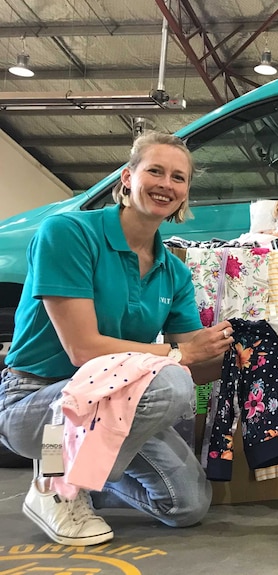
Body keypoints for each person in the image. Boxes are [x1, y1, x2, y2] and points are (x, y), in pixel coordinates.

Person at [0, 131, 236, 546]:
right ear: (127, 178)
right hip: (37, 401)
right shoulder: (68, 233)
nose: (167, 184)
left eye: (178, 178)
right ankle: (58, 487)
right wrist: (180, 353)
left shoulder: (173, 272)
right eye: (155, 171)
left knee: (186, 506)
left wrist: (241, 354)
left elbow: (197, 366)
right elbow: (83, 349)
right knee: (169, 381)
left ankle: (84, 476)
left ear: (185, 193)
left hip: (114, 405)